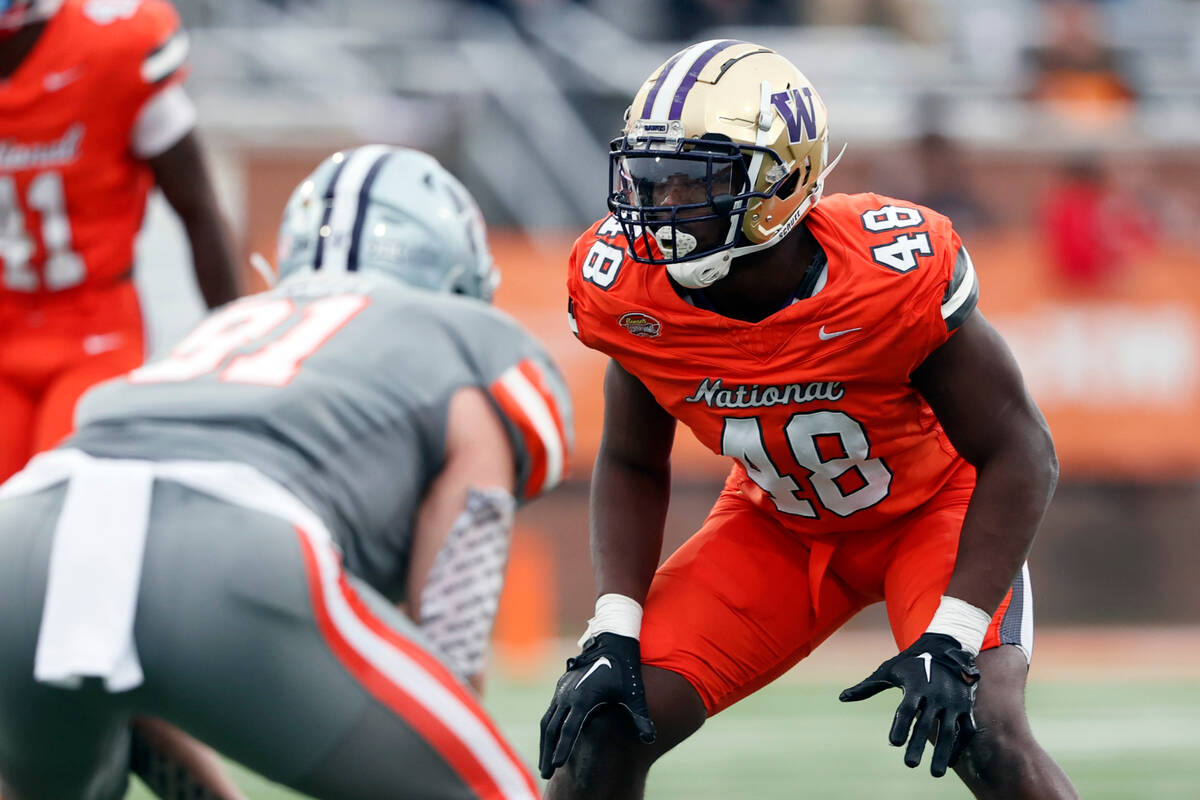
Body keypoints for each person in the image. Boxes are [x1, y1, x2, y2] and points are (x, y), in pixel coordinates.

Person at [539, 40, 1079, 799]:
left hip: (934, 514)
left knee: (982, 726)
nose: (660, 206)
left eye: (691, 179)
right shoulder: (630, 290)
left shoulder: (888, 274)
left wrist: (953, 633)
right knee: (603, 719)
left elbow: (1022, 449)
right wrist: (613, 625)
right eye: (651, 178)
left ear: (780, 183)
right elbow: (632, 458)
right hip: (781, 526)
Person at [0, 145, 571, 800]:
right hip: (229, 540)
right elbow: (451, 657)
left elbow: (120, 622)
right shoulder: (461, 350)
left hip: (24, 529)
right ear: (457, 281)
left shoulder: (232, 327)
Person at [0, 0, 243, 483]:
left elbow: (197, 208)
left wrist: (235, 354)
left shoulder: (112, 44)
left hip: (91, 332)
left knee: (65, 498)